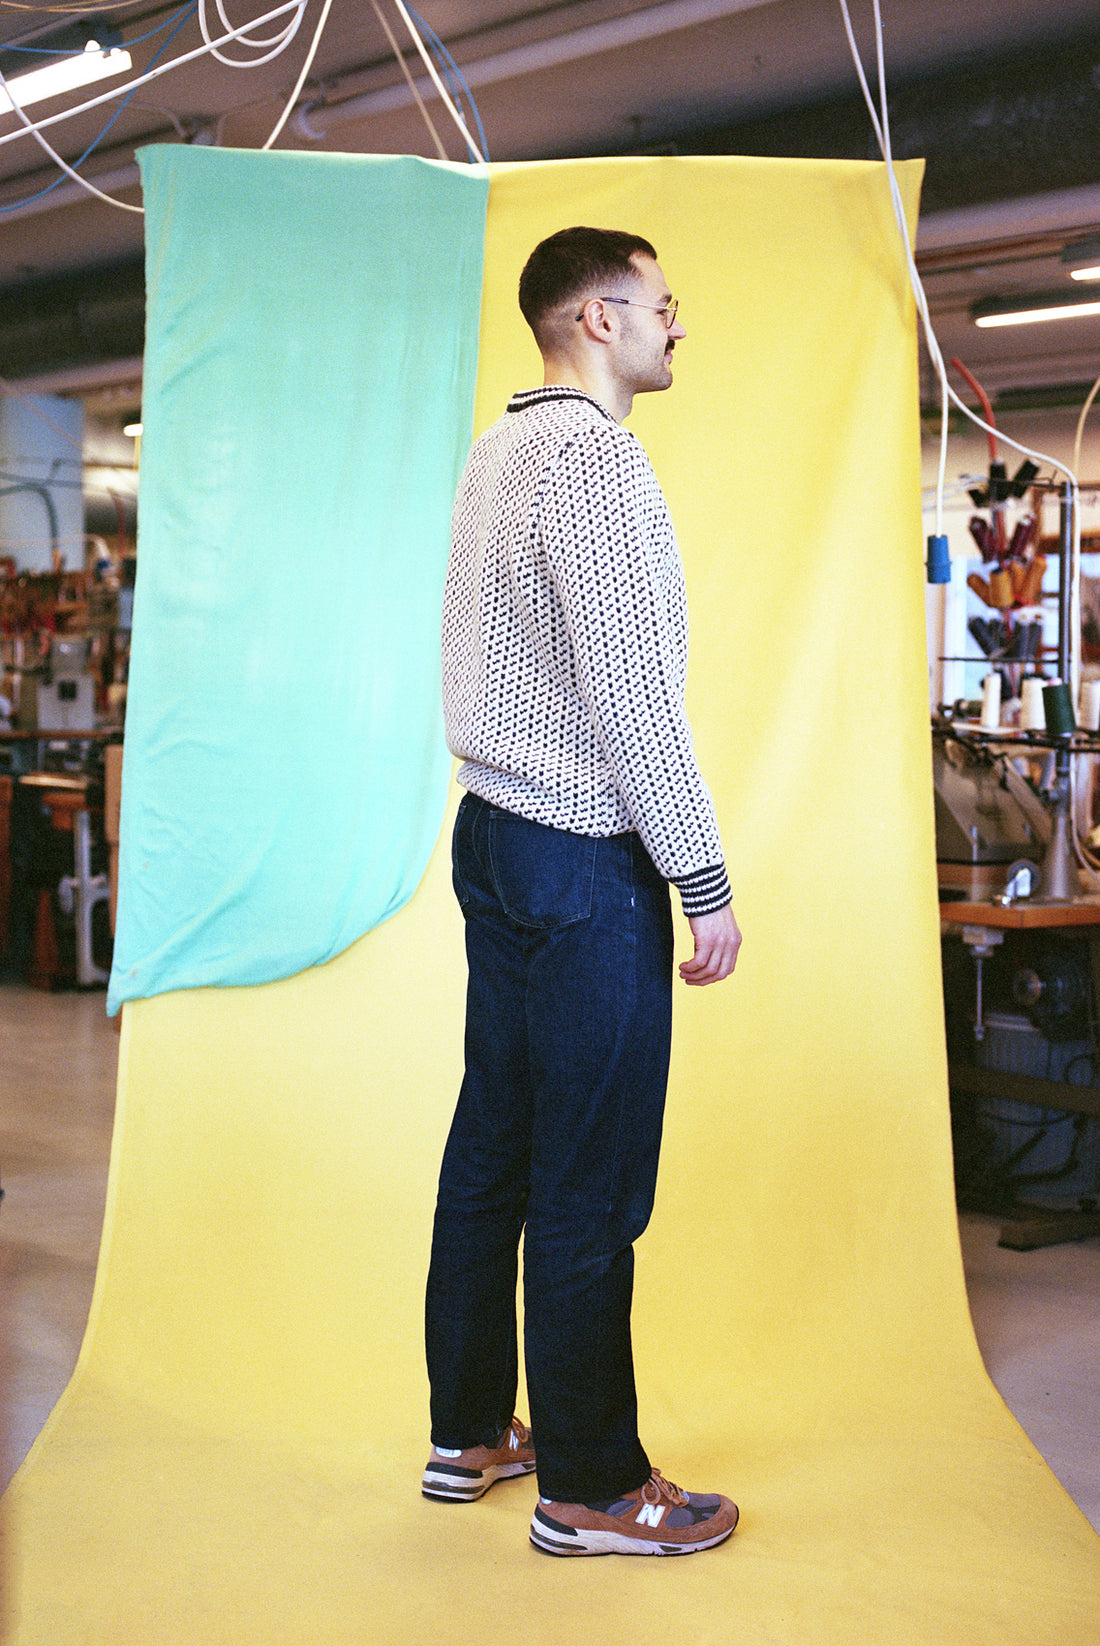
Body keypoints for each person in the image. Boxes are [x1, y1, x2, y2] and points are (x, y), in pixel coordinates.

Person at [422, 226, 742, 1557]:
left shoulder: (498, 452)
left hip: (493, 833)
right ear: (600, 319)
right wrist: (700, 878)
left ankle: (470, 1431)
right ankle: (595, 1485)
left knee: (494, 1145)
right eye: (663, 303)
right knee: (590, 1177)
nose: (678, 323)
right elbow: (631, 700)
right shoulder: (597, 463)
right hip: (578, 856)